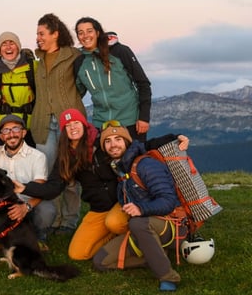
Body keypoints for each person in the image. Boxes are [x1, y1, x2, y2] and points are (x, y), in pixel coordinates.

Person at [19, 109, 190, 261]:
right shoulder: (66, 157)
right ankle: (119, 241)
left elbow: (139, 146)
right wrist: (24, 188)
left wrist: (174, 138)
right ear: (64, 131)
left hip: (121, 203)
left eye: (76, 122)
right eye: (68, 125)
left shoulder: (102, 142)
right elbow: (53, 188)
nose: (73, 127)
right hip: (98, 209)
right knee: (77, 254)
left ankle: (143, 241)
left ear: (84, 124)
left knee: (114, 223)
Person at [92, 124, 186, 292]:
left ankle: (168, 276)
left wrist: (141, 209)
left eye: (118, 139)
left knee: (137, 223)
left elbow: (168, 201)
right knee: (101, 261)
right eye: (107, 141)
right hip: (144, 227)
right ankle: (154, 255)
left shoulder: (146, 165)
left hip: (171, 224)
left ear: (127, 142)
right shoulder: (121, 169)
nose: (113, 145)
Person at [32, 13, 86, 233]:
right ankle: (52, 218)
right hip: (43, 122)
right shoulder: (37, 60)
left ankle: (69, 221)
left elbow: (82, 84)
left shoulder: (74, 55)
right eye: (37, 34)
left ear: (55, 34)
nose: (38, 38)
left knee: (70, 173)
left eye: (41, 33)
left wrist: (69, 101)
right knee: (46, 172)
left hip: (69, 122)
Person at [74, 17, 152, 143]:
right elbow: (76, 93)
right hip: (101, 123)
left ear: (97, 33)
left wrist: (144, 117)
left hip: (130, 121)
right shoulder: (79, 61)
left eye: (89, 31)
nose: (85, 36)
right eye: (80, 33)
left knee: (134, 155)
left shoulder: (119, 51)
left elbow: (143, 83)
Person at [0, 114, 55, 251]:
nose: (11, 134)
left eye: (16, 129)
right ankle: (5, 237)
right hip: (3, 205)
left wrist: (25, 207)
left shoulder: (37, 157)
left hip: (29, 204)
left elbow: (40, 188)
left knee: (47, 210)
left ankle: (39, 235)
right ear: (1, 136)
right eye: (6, 131)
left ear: (24, 133)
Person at [0, 31, 37, 147]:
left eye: (12, 43)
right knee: (1, 156)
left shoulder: (33, 66)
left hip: (30, 124)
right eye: (4, 44)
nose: (8, 47)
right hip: (5, 123)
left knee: (31, 157)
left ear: (18, 47)